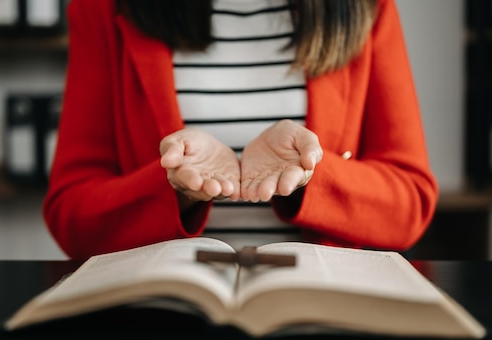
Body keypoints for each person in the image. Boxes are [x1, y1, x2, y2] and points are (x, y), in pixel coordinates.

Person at [43, 0, 438, 259]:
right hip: (162, 319)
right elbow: (70, 214)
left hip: (320, 314)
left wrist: (308, 175)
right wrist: (175, 188)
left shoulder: (367, 7)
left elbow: (410, 202)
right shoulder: (102, 8)